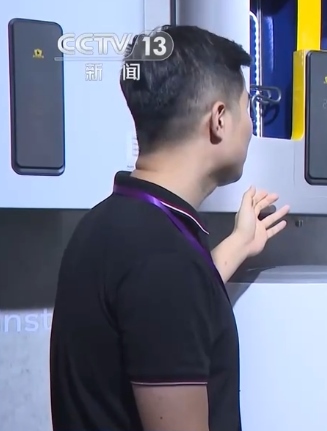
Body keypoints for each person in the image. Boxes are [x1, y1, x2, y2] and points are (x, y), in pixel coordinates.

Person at [49, 26, 289, 431]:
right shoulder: (163, 259)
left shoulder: (107, 224)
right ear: (219, 119)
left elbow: (164, 310)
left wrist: (238, 244)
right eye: (247, 109)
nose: (251, 126)